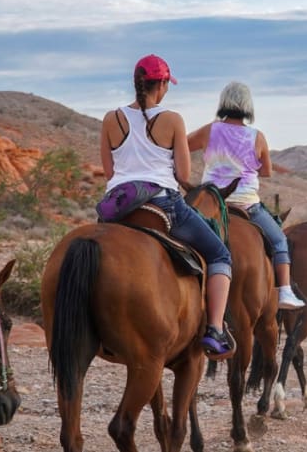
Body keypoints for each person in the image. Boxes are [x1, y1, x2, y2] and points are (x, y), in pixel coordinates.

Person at [99, 54, 235, 359]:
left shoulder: (111, 118)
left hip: (116, 208)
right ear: (160, 84)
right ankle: (214, 328)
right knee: (219, 253)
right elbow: (184, 175)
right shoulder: (173, 119)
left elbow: (109, 173)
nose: (167, 90)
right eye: (167, 84)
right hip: (163, 203)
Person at [187, 81, 306, 310]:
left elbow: (182, 145)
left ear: (223, 102)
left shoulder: (209, 130)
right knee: (279, 241)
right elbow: (268, 171)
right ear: (247, 106)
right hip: (247, 205)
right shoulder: (256, 136)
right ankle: (284, 292)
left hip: (210, 204)